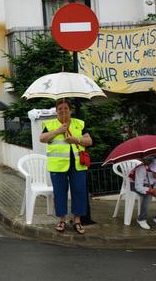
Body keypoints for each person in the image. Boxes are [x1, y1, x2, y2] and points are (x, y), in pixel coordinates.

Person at [39, 99, 92, 234]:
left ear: (70, 110)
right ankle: (61, 220)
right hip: (58, 165)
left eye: (66, 108)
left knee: (79, 191)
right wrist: (58, 131)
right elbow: (42, 138)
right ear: (56, 111)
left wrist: (76, 139)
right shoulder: (50, 124)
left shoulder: (79, 124)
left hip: (77, 164)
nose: (63, 111)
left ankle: (77, 221)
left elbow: (89, 141)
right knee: (60, 192)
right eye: (60, 109)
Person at [129, 158, 156, 230]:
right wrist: (150, 190)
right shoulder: (141, 169)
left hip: (147, 184)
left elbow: (153, 182)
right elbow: (138, 186)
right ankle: (141, 219)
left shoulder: (152, 172)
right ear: (152, 169)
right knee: (148, 195)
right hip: (134, 184)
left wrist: (153, 189)